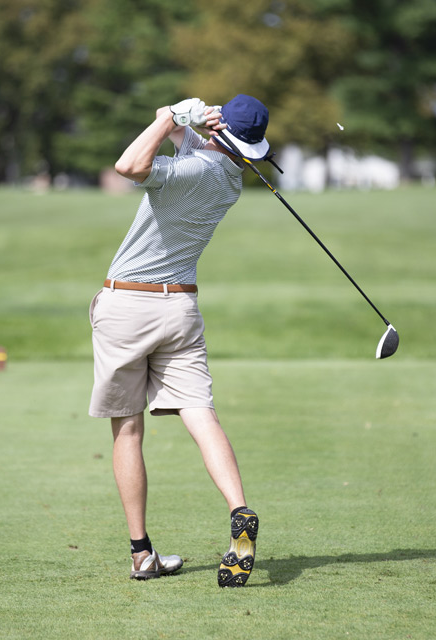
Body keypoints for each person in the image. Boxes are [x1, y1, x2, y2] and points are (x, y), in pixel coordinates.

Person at [88, 95, 268, 587]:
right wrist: (183, 119)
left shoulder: (189, 173)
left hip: (128, 307)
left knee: (127, 429)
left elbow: (129, 164)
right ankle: (239, 509)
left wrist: (173, 113)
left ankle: (141, 553)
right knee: (200, 412)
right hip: (180, 310)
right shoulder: (229, 179)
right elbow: (178, 136)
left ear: (220, 133)